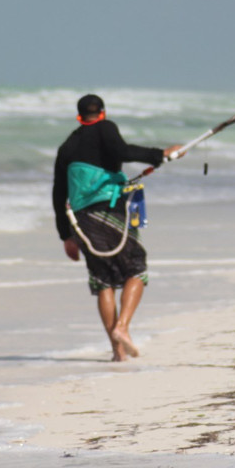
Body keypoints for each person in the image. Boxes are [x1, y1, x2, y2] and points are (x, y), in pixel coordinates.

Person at [52, 94, 180, 362]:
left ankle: (117, 351)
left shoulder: (66, 146)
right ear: (103, 113)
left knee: (103, 281)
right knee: (137, 268)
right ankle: (122, 327)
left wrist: (66, 235)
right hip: (110, 211)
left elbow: (58, 193)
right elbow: (123, 152)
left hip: (81, 221)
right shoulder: (105, 128)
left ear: (79, 116)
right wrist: (161, 154)